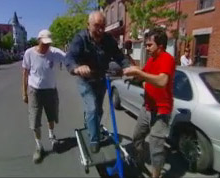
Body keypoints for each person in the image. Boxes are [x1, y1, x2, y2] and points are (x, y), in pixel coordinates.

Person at [65, 11, 130, 153]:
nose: (100, 30)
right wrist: (77, 68)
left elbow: (119, 56)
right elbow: (69, 58)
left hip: (101, 79)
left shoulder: (108, 39)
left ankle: (89, 123)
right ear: (88, 25)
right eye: (96, 26)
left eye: (103, 26)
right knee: (92, 109)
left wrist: (128, 67)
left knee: (98, 110)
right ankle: (94, 139)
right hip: (85, 81)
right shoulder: (80, 39)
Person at [123, 29, 176, 178]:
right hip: (146, 108)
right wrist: (132, 74)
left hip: (161, 111)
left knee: (156, 148)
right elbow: (143, 77)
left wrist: (140, 74)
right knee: (137, 137)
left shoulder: (167, 59)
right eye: (145, 45)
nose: (146, 48)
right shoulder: (151, 59)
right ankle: (140, 162)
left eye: (149, 45)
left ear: (160, 45)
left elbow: (162, 81)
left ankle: (155, 175)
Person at [22, 29, 66, 164]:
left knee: (51, 116)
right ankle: (39, 146)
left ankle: (52, 137)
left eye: (48, 43)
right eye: (44, 43)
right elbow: (25, 73)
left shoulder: (54, 52)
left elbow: (70, 59)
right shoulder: (29, 53)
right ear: (38, 40)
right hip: (34, 91)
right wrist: (24, 92)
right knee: (34, 120)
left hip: (50, 90)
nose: (46, 46)